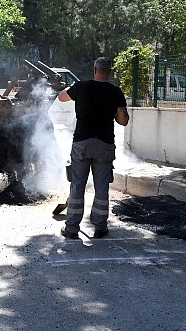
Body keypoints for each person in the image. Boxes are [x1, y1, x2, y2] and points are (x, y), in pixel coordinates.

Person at [57, 57, 129, 239]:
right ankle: (100, 227)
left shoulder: (81, 87)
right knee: (102, 187)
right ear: (109, 72)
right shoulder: (115, 92)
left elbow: (61, 97)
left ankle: (72, 228)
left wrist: (70, 89)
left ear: (94, 69)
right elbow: (123, 121)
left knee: (77, 185)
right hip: (104, 144)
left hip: (82, 143)